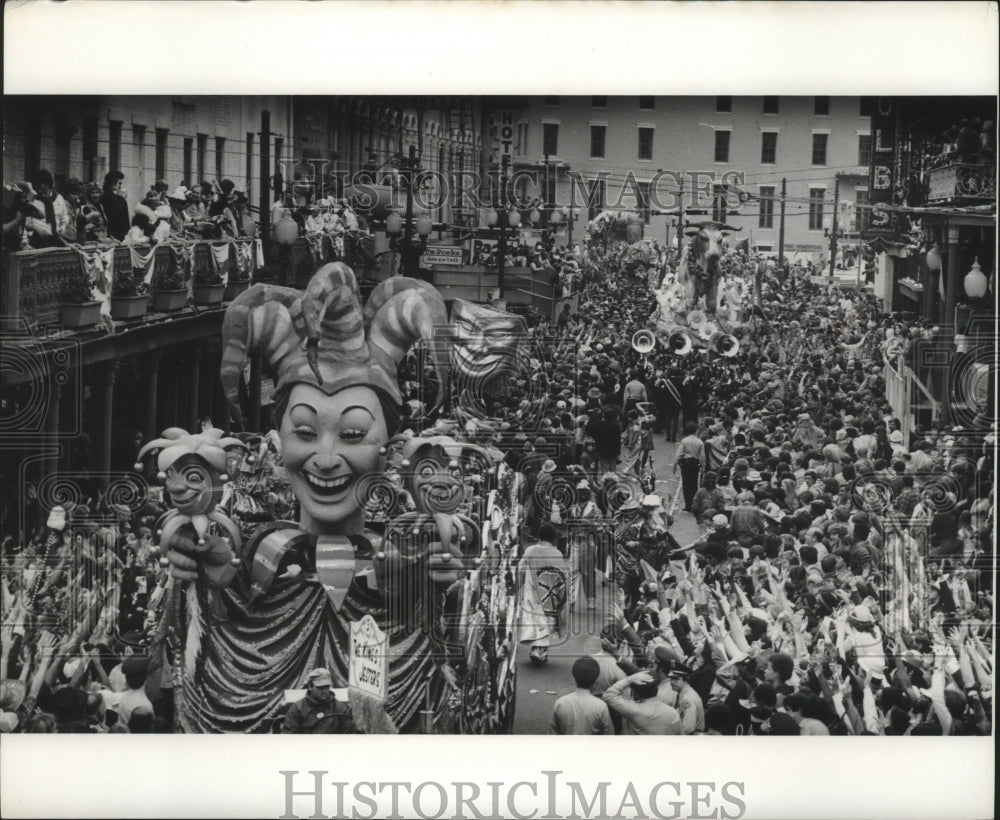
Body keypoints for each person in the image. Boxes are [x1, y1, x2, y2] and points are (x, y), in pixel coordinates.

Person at [163, 263, 454, 733]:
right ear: (278, 444)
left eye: (353, 433)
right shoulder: (257, 558)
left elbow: (437, 663)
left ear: (389, 449)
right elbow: (201, 651)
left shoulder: (402, 559)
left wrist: (439, 591)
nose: (325, 457)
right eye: (304, 430)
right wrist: (197, 586)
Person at [518, 523, 568, 665]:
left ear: (539, 536)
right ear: (553, 539)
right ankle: (542, 650)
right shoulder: (557, 553)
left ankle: (536, 648)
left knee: (535, 620)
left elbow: (521, 569)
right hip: (551, 593)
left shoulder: (530, 550)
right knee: (548, 621)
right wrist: (562, 596)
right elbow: (563, 576)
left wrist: (519, 586)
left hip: (533, 591)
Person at [602, 669, 682, 735]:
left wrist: (630, 679)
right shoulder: (673, 713)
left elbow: (608, 695)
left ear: (636, 693)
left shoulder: (632, 710)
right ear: (656, 690)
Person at [550, 656, 615, 735]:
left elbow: (552, 734)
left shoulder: (560, 703)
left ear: (574, 676)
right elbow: (609, 735)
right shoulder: (601, 707)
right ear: (595, 679)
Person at [282, 668, 357, 734]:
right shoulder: (298, 708)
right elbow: (288, 736)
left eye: (326, 687)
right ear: (310, 687)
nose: (324, 691)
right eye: (320, 687)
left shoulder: (340, 707)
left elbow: (349, 733)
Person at [674, 421, 706, 512]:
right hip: (695, 464)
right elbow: (702, 457)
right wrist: (703, 467)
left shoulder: (684, 441)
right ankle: (694, 504)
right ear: (696, 430)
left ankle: (688, 505)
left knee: (686, 484)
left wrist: (675, 464)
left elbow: (679, 454)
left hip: (686, 464)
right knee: (694, 484)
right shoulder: (700, 442)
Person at [100, 171, 130, 241]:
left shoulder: (107, 194)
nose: (120, 186)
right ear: (113, 183)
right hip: (116, 233)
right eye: (119, 183)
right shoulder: (109, 195)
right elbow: (116, 212)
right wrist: (122, 199)